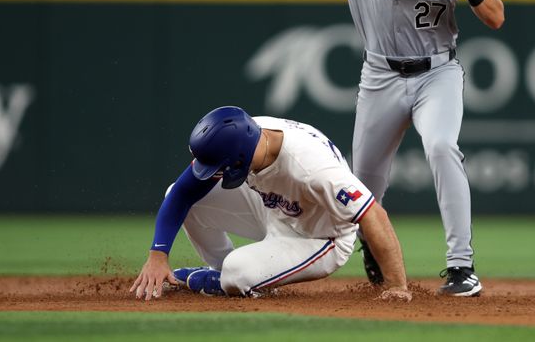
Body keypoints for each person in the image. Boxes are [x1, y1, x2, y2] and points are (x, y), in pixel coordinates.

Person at [287, 0, 504, 297]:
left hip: (437, 72)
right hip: (380, 76)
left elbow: (496, 16)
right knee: (364, 184)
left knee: (443, 148)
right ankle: (373, 243)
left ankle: (462, 267)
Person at [130, 106, 411, 302]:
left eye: (219, 167)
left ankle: (229, 279)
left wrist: (398, 286)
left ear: (240, 156)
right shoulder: (244, 137)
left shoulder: (314, 169)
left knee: (237, 275)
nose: (215, 172)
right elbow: (182, 193)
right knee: (180, 196)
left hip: (318, 236)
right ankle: (219, 269)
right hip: (272, 205)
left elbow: (373, 214)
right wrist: (158, 254)